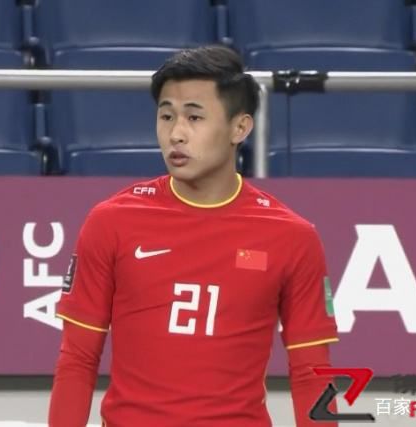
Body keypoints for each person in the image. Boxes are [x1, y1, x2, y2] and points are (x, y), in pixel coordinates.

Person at [49, 45, 339, 427]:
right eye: (166, 116)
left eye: (195, 117)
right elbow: (77, 359)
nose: (176, 134)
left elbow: (311, 372)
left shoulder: (292, 237)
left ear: (240, 128)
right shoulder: (111, 221)